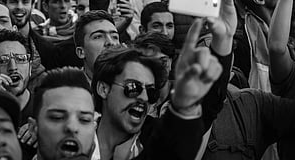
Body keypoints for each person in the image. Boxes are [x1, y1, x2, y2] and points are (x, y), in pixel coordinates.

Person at [92, 16, 226, 160]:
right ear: (103, 89)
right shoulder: (72, 136)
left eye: (150, 91)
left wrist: (223, 43)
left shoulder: (154, 137)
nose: (144, 98)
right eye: (133, 87)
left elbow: (176, 146)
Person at [0, 30, 34, 122]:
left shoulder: (43, 110)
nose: (13, 67)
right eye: (3, 61)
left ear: (30, 68)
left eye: (20, 59)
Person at [74, 10, 121, 82]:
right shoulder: (69, 90)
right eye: (98, 37)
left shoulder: (136, 83)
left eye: (114, 37)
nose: (110, 42)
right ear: (81, 52)